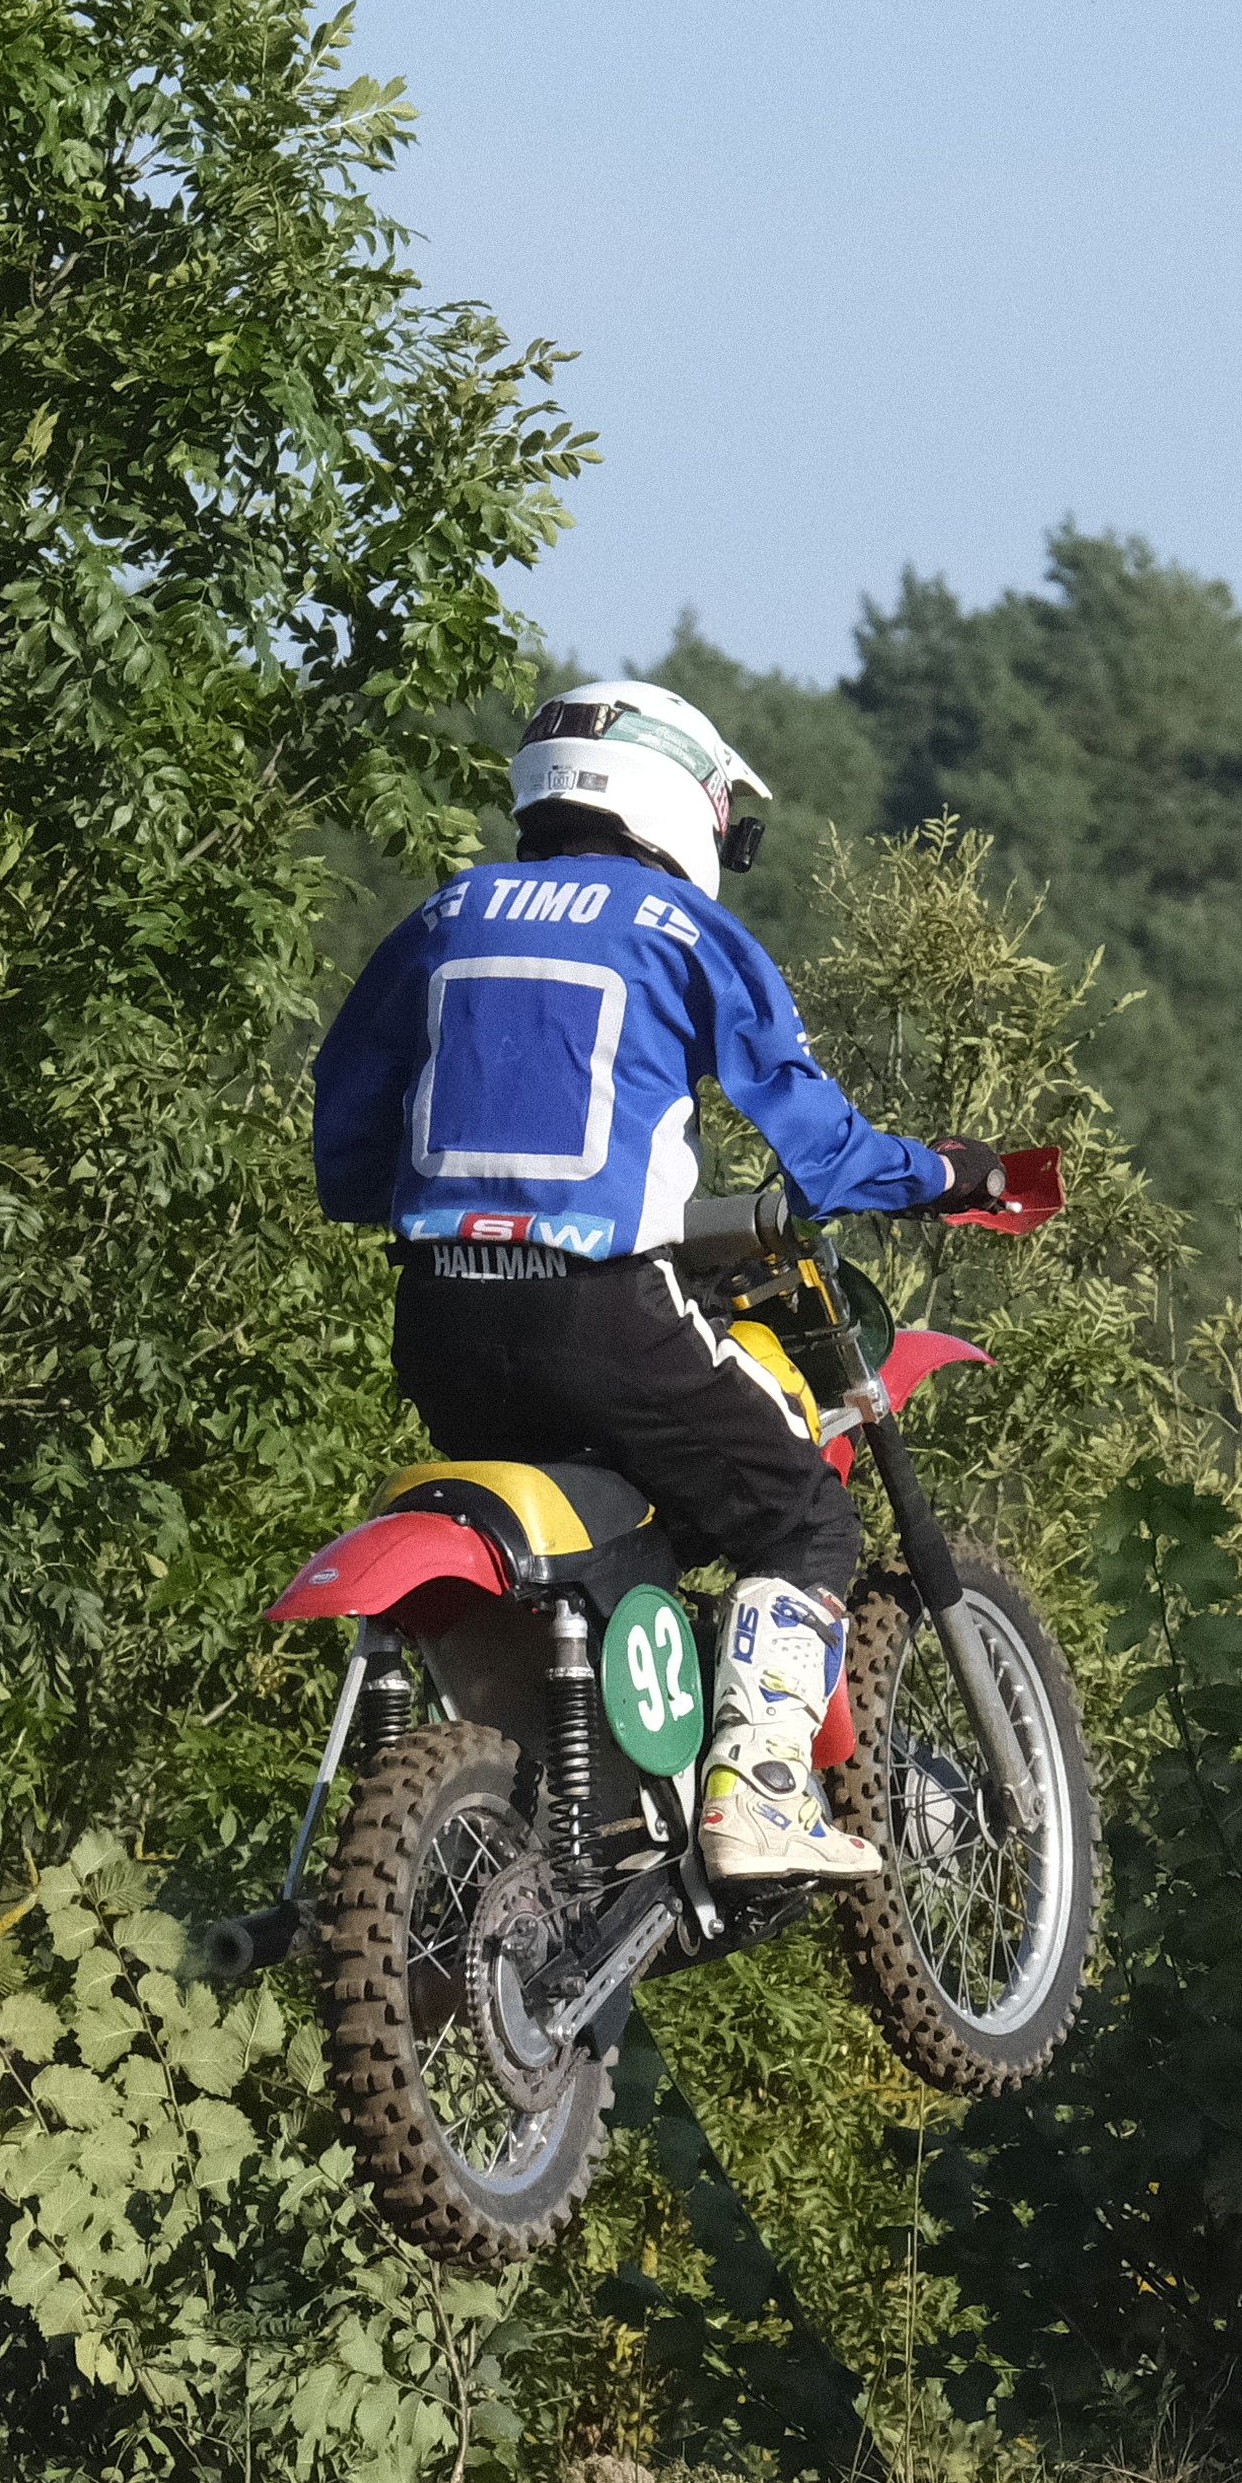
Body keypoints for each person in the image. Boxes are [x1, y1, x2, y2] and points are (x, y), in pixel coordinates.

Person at [311, 677, 1029, 1882]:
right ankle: (760, 1797)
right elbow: (824, 1152)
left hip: (437, 1319)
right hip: (599, 1313)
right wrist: (944, 1170)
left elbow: (345, 1139)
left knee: (600, 1530)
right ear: (679, 795)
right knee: (802, 1517)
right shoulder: (682, 929)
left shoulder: (445, 915)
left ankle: (576, 1823)